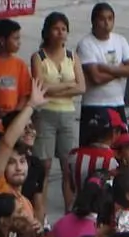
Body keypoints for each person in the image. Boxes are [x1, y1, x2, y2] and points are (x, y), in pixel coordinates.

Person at [32, 13, 86, 211]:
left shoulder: (72, 56)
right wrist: (68, 85)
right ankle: (41, 212)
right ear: (47, 32)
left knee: (67, 167)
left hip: (67, 113)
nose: (60, 32)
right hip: (45, 113)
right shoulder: (39, 57)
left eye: (63, 29)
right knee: (43, 167)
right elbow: (40, 86)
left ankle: (69, 211)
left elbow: (81, 87)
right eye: (56, 28)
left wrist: (57, 87)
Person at [0, 87, 47, 222]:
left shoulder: (25, 203)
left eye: (22, 161)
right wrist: (31, 105)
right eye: (11, 162)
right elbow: (7, 143)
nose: (19, 168)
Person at [78, 3, 129, 132]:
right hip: (95, 104)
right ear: (94, 21)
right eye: (102, 19)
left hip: (118, 102)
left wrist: (108, 68)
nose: (106, 23)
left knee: (121, 145)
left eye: (110, 19)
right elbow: (96, 78)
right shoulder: (86, 44)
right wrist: (121, 70)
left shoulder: (120, 40)